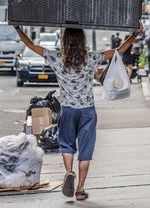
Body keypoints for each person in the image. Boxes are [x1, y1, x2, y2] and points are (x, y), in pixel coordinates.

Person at [14, 22, 143, 201]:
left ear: (64, 41)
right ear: (82, 41)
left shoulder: (56, 58)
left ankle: (69, 172)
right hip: (87, 111)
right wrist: (134, 35)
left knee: (67, 145)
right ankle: (80, 189)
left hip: (68, 110)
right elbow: (118, 52)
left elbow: (30, 45)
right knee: (86, 150)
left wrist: (17, 28)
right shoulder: (90, 58)